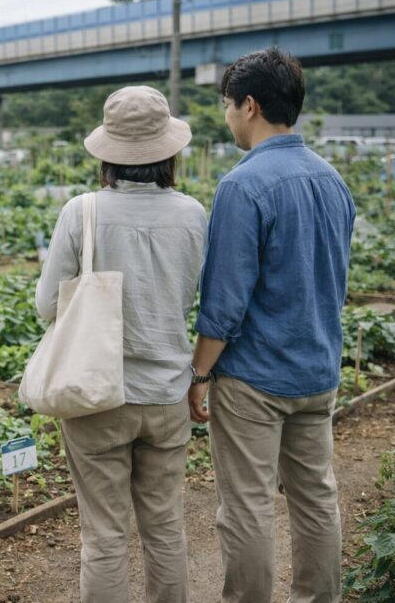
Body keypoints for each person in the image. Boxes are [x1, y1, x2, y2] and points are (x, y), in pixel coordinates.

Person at [186, 48, 355, 602]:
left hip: (255, 380)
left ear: (250, 105)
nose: (227, 117)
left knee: (247, 507)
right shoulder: (333, 181)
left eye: (229, 106)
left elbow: (225, 301)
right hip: (317, 372)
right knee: (316, 499)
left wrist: (200, 371)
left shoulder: (244, 185)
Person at [35, 85, 207, 603]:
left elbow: (47, 306)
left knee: (105, 535)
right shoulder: (194, 214)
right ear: (169, 153)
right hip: (167, 394)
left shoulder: (81, 211)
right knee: (165, 527)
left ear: (108, 155)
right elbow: (204, 299)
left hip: (96, 395)